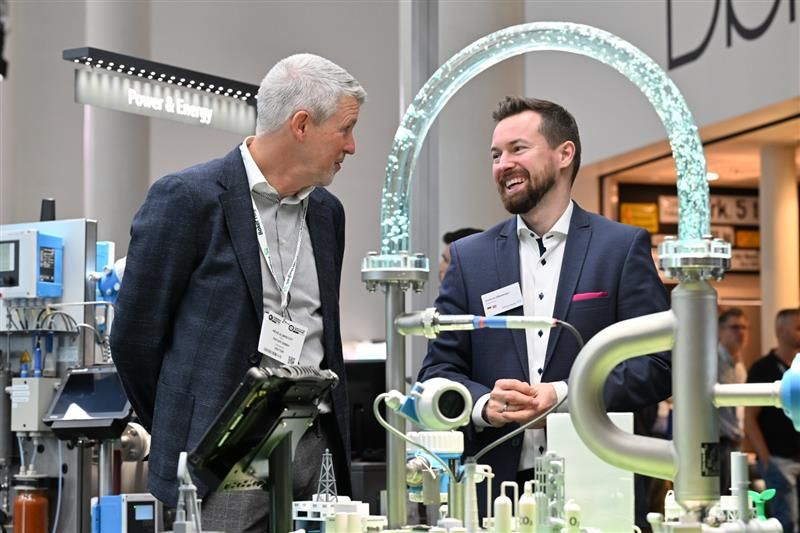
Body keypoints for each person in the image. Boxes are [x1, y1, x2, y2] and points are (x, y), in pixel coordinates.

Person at [111, 53, 366, 533]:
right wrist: (184, 422)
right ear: (302, 125)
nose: (352, 146)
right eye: (345, 129)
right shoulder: (187, 199)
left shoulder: (328, 213)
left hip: (314, 444)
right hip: (222, 458)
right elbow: (133, 339)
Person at [418, 97, 671, 505]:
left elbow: (658, 365)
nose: (502, 164)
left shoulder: (621, 248)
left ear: (564, 154)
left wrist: (564, 394)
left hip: (597, 480)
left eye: (518, 149)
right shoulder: (471, 257)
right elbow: (437, 370)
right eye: (496, 155)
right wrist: (483, 403)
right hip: (491, 485)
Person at [746, 308, 800, 532]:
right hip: (778, 459)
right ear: (781, 330)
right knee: (786, 520)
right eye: (798, 328)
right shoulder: (763, 368)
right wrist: (766, 459)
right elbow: (750, 417)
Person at [717, 307, 749, 495]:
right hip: (717, 440)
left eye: (745, 328)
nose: (741, 333)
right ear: (720, 330)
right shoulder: (710, 360)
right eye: (735, 327)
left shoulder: (739, 365)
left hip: (735, 441)